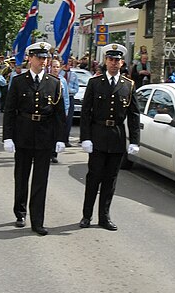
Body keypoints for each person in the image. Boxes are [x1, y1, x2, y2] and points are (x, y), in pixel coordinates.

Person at [3, 42, 66, 236]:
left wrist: (60, 138)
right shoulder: (19, 81)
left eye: (45, 58)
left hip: (44, 136)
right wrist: (8, 137)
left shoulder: (54, 83)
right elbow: (10, 111)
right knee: (21, 176)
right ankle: (20, 212)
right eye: (39, 58)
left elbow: (59, 114)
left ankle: (37, 220)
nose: (43, 62)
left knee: (41, 180)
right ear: (30, 58)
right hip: (23, 133)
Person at [79, 43, 140, 231]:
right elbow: (86, 112)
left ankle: (104, 217)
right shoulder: (95, 83)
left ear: (122, 63)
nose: (114, 63)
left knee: (110, 180)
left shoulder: (128, 85)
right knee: (93, 178)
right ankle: (86, 215)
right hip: (97, 136)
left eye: (117, 60)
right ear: (105, 61)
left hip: (116, 138)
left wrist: (135, 141)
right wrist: (85, 137)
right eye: (111, 59)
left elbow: (134, 114)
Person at [50, 58, 69, 163]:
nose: (55, 69)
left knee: (56, 132)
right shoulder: (47, 78)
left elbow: (66, 97)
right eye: (54, 66)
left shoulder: (63, 81)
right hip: (48, 110)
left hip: (59, 111)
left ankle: (54, 153)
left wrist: (65, 111)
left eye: (57, 67)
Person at [59, 57, 79, 147]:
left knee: (68, 119)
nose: (67, 64)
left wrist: (68, 90)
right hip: (60, 98)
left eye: (69, 62)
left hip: (70, 97)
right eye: (66, 62)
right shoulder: (59, 73)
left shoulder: (74, 75)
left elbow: (76, 88)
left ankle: (65, 139)